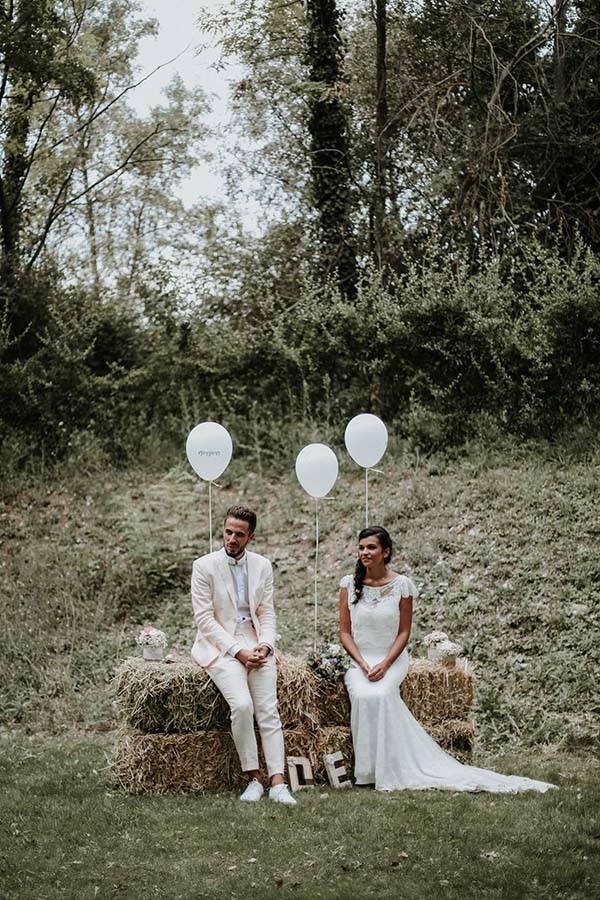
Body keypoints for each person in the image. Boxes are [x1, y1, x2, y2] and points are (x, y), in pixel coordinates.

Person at [339, 525, 557, 793]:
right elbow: (345, 632)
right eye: (361, 547)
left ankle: (390, 767)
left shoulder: (402, 585)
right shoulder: (349, 584)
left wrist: (384, 665)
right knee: (362, 696)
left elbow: (404, 632)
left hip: (391, 659)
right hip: (360, 660)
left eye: (371, 547)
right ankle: (366, 771)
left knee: (382, 695)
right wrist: (362, 664)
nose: (364, 552)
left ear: (386, 552)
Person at [191, 505, 296, 805]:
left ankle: (278, 782)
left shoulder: (263, 565)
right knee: (242, 705)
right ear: (222, 530)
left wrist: (265, 644)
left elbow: (266, 611)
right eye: (228, 532)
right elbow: (204, 619)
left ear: (250, 536)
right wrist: (238, 652)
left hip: (255, 642)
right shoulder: (204, 566)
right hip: (221, 647)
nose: (232, 539)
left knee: (268, 709)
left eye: (239, 534)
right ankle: (254, 778)